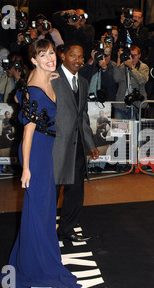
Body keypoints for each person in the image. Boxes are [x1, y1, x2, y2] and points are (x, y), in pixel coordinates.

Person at [0, 39, 81, 288]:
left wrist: (48, 73)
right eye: (42, 55)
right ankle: (38, 266)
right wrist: (26, 168)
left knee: (43, 212)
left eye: (52, 53)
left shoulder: (43, 77)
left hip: (45, 150)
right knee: (39, 211)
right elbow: (28, 133)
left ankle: (35, 260)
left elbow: (19, 91)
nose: (49, 58)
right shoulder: (34, 89)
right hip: (34, 153)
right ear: (33, 60)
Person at [51, 40, 99, 242]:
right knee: (51, 192)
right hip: (55, 146)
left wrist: (91, 143)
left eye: (81, 56)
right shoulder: (51, 78)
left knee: (76, 191)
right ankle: (44, 233)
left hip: (77, 146)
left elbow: (83, 117)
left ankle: (67, 229)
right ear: (62, 55)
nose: (78, 60)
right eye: (73, 55)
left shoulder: (84, 82)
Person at [113, 44, 149, 118]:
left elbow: (142, 80)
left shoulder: (143, 67)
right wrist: (119, 59)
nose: (132, 58)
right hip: (121, 104)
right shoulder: (123, 65)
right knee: (119, 128)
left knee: (134, 128)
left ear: (139, 55)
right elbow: (116, 78)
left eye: (134, 55)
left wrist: (132, 67)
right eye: (130, 55)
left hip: (136, 104)